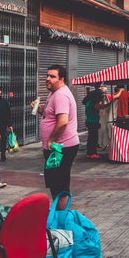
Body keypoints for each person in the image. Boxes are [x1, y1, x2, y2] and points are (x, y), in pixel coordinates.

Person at [31, 64, 79, 209]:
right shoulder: (53, 93)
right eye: (47, 76)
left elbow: (63, 122)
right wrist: (40, 109)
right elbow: (51, 115)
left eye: (52, 77)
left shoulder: (61, 95)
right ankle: (57, 214)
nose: (48, 79)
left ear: (61, 79)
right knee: (54, 183)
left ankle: (60, 220)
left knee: (61, 186)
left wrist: (51, 140)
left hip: (61, 148)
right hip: (55, 148)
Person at [83, 83, 107, 159]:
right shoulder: (93, 103)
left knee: (91, 138)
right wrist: (110, 104)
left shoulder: (88, 102)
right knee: (94, 138)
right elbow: (101, 107)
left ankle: (89, 153)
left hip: (89, 121)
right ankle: (92, 153)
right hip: (93, 122)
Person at [0, 85, 11, 162]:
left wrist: (10, 125)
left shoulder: (4, 102)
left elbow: (8, 113)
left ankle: (3, 154)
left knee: (3, 139)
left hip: (2, 123)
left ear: (0, 92)